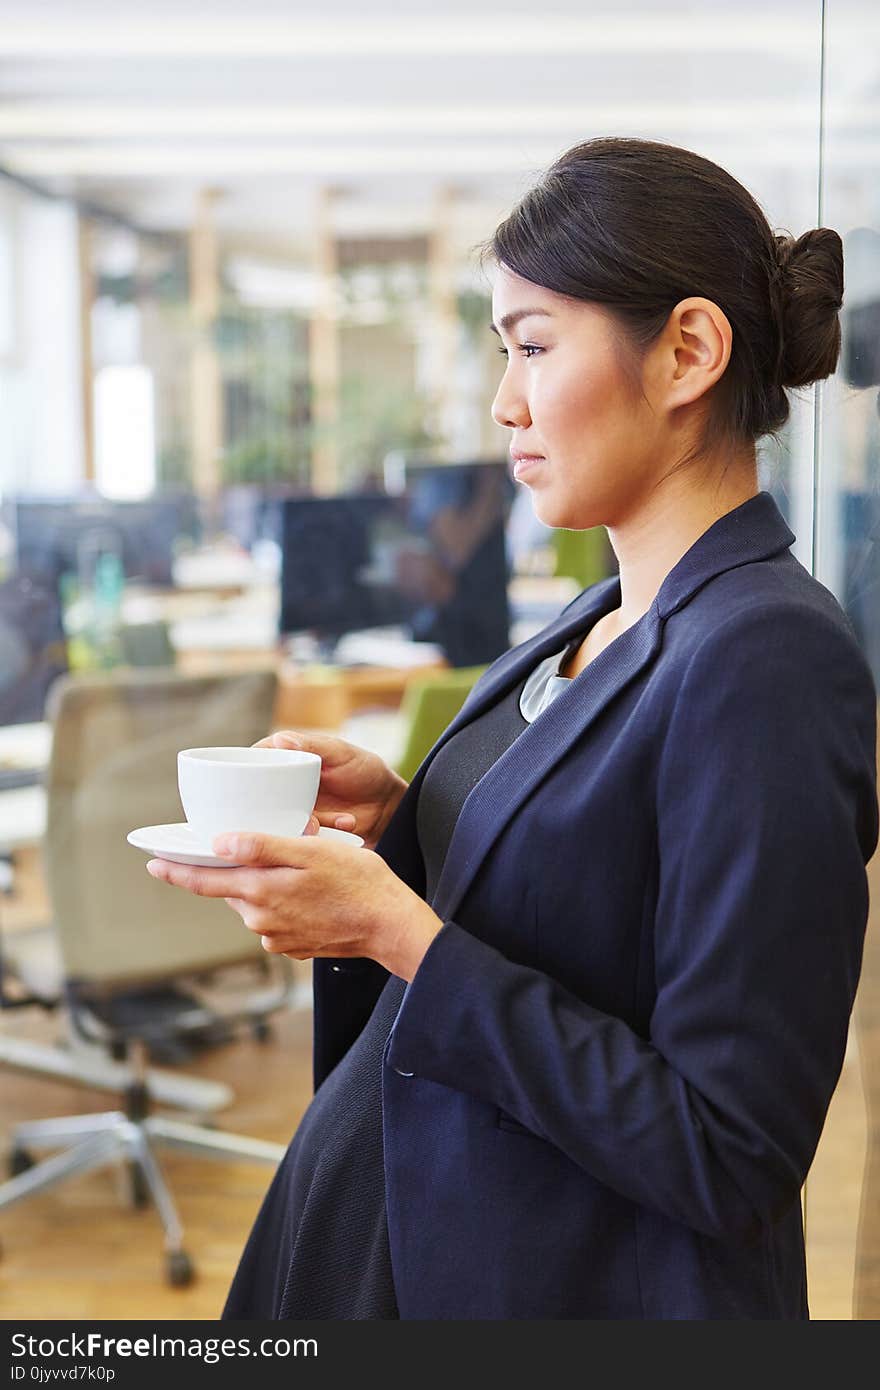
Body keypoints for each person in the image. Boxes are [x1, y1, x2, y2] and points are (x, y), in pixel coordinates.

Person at [146, 137, 879, 1320]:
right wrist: (402, 822)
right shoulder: (602, 615)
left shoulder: (767, 657)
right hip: (397, 1227)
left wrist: (400, 937)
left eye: (534, 345)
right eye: (504, 353)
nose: (504, 402)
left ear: (687, 350)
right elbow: (579, 900)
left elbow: (728, 1148)